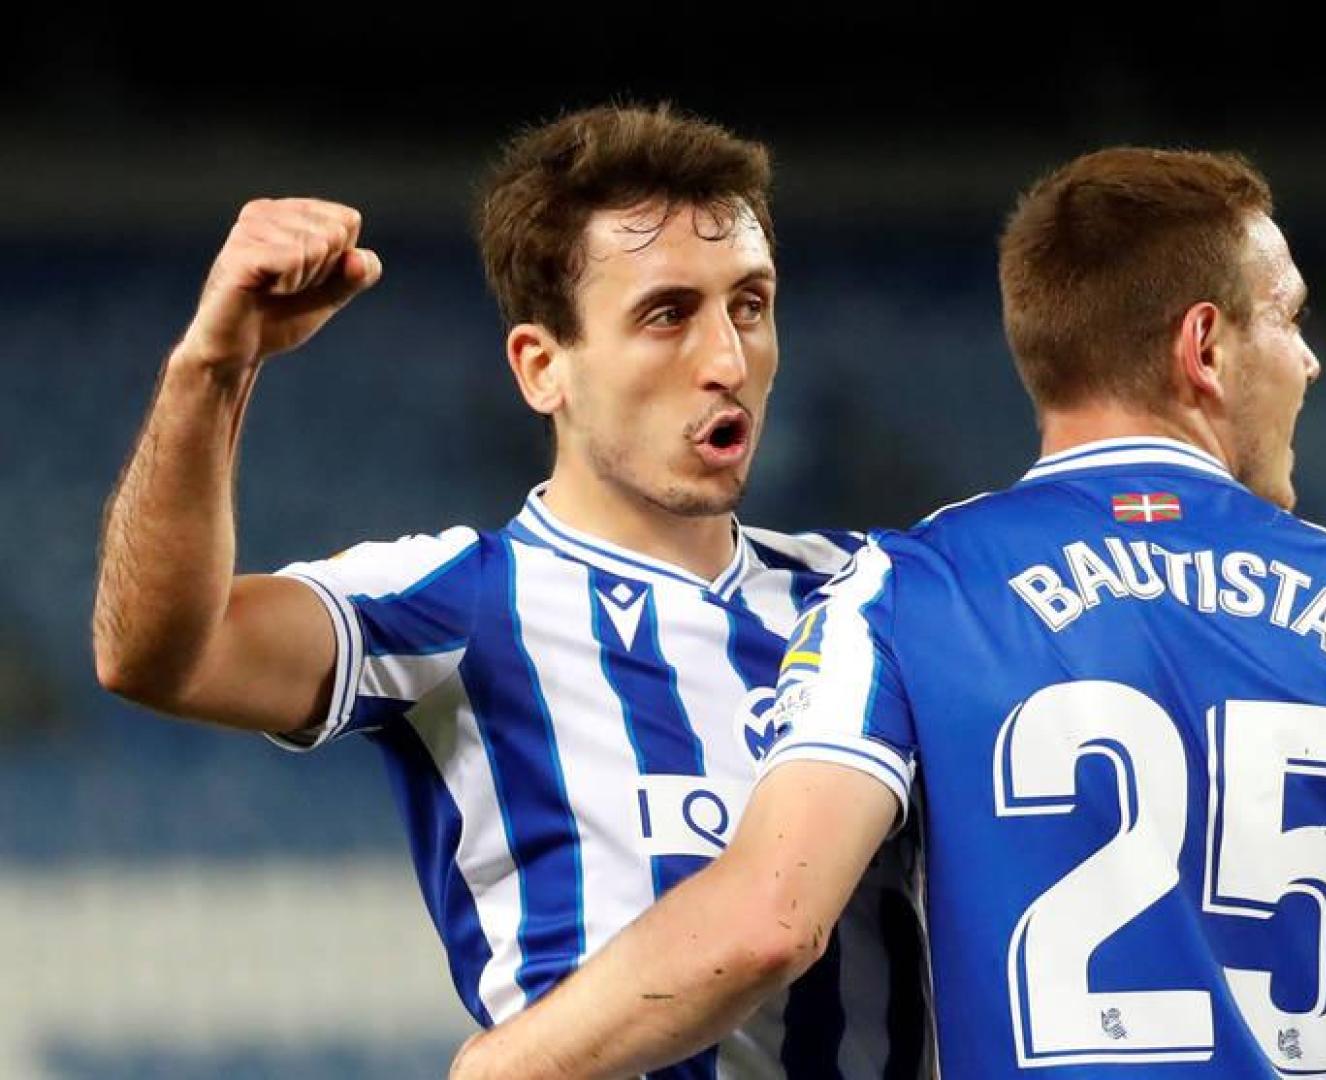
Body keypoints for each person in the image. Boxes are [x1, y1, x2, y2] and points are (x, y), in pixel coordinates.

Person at [453, 146, 1326, 1080]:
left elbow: (769, 921)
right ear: (1205, 349)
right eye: (1289, 319)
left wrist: (494, 1068)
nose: (1314, 362)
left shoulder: (908, 593)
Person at [92, 103, 925, 1079]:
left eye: (749, 304)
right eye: (668, 315)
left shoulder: (881, 595)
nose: (728, 362)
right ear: (542, 368)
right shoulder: (458, 602)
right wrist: (214, 365)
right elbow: (154, 655)